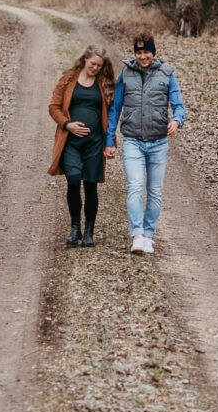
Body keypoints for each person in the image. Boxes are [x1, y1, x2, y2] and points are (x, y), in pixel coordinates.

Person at [104, 33, 185, 254]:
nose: (142, 57)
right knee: (135, 186)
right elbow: (115, 109)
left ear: (153, 52)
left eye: (146, 52)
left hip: (159, 143)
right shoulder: (126, 74)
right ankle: (137, 235)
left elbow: (178, 106)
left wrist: (176, 121)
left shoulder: (166, 74)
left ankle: (149, 235)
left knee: (155, 191)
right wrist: (109, 140)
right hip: (133, 141)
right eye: (139, 52)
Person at [49, 46, 116, 247]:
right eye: (92, 64)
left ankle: (89, 232)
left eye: (99, 66)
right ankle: (75, 227)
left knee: (90, 186)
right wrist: (67, 124)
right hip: (71, 142)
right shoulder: (68, 79)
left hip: (94, 143)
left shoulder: (104, 83)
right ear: (85, 59)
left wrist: (110, 143)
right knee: (73, 180)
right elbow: (54, 107)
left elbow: (111, 115)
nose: (95, 68)